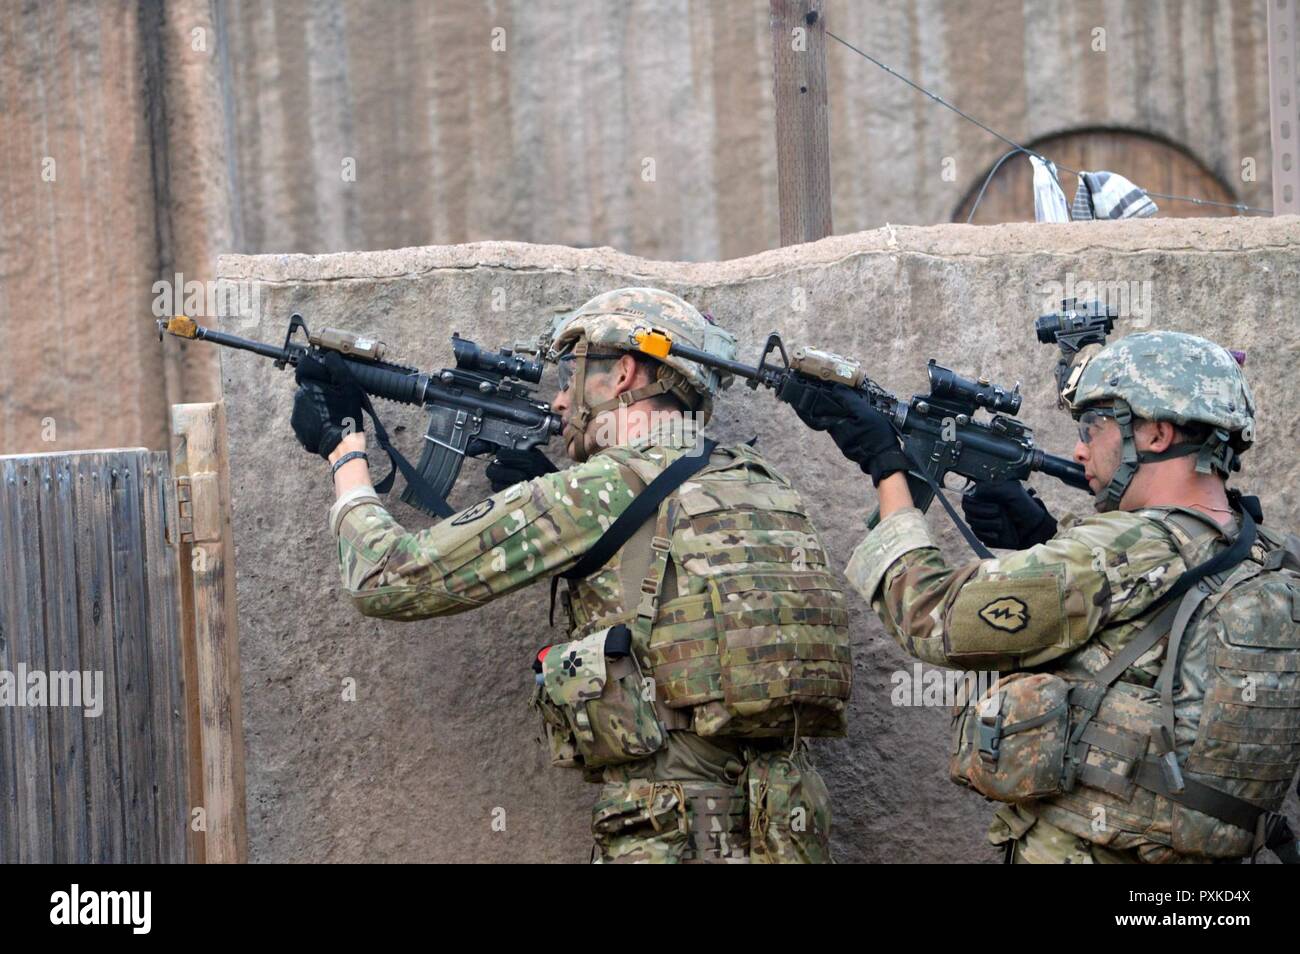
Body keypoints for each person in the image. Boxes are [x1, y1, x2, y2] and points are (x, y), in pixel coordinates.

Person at [290, 287, 853, 863]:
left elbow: (388, 578)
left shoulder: (599, 491)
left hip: (669, 831)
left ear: (624, 374)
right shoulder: (765, 484)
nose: (559, 402)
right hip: (785, 827)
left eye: (569, 377)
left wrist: (344, 456)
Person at [783, 331, 1300, 863]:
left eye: (1093, 427)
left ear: (1158, 435)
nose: (1080, 448)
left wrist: (887, 467)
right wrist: (1044, 536)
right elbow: (1146, 639)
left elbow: (929, 614)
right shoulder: (1272, 555)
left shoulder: (1116, 550)